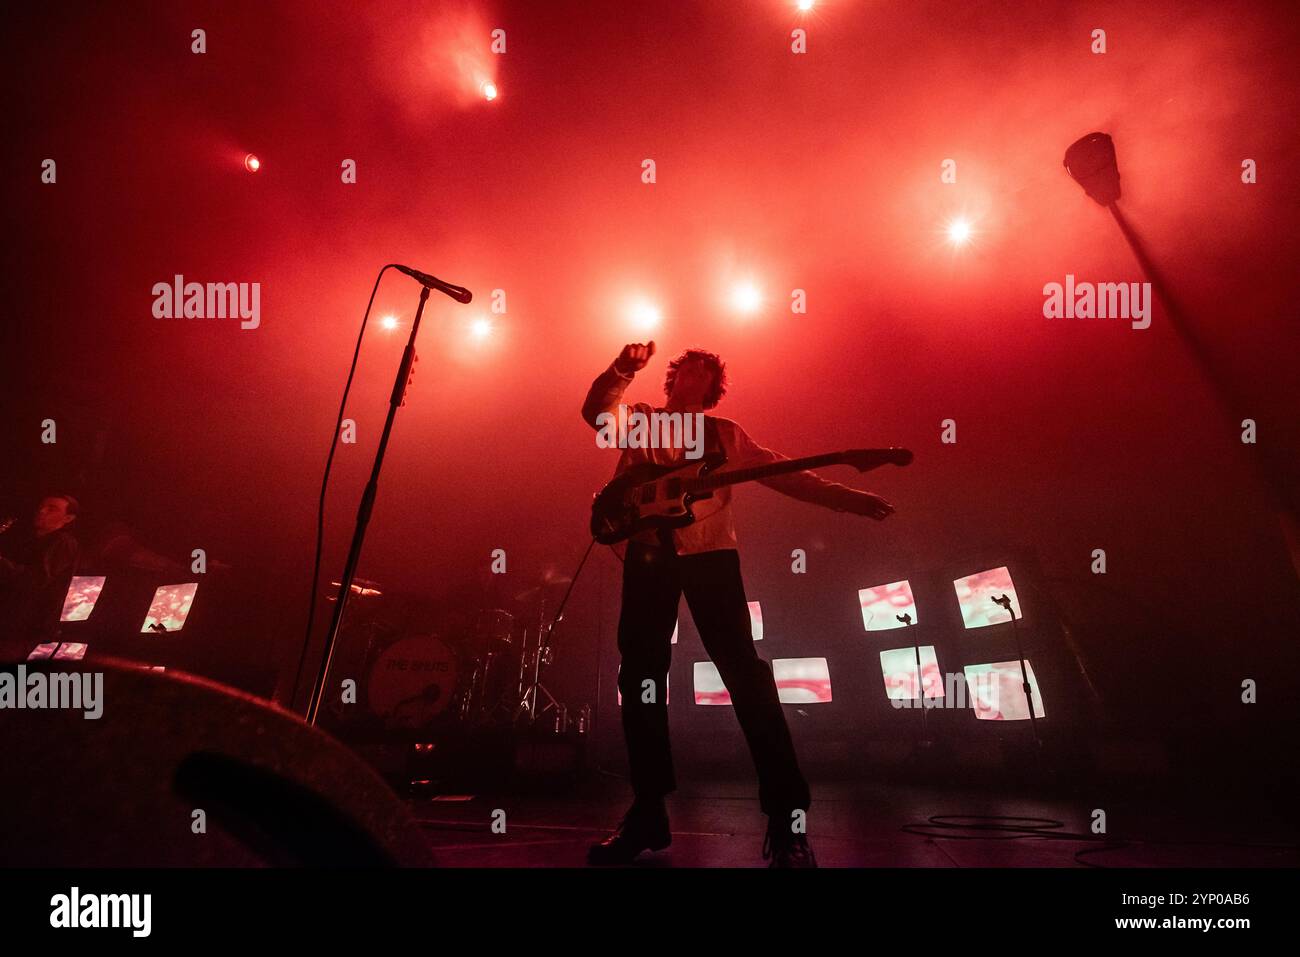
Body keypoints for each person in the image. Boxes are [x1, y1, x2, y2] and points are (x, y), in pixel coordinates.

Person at [581, 342, 895, 867]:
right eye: (685, 367)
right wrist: (620, 370)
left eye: (705, 370)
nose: (693, 373)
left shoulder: (726, 433)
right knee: (640, 676)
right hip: (647, 556)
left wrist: (846, 497)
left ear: (713, 388)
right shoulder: (640, 422)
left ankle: (788, 820)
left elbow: (785, 472)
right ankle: (648, 812)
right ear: (672, 378)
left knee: (745, 674)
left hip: (711, 555)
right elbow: (596, 414)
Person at [0, 494, 81, 661]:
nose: (41, 511)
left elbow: (34, 580)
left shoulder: (63, 542)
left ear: (68, 518)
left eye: (52, 509)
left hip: (22, 629)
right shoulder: (30, 541)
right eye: (42, 506)